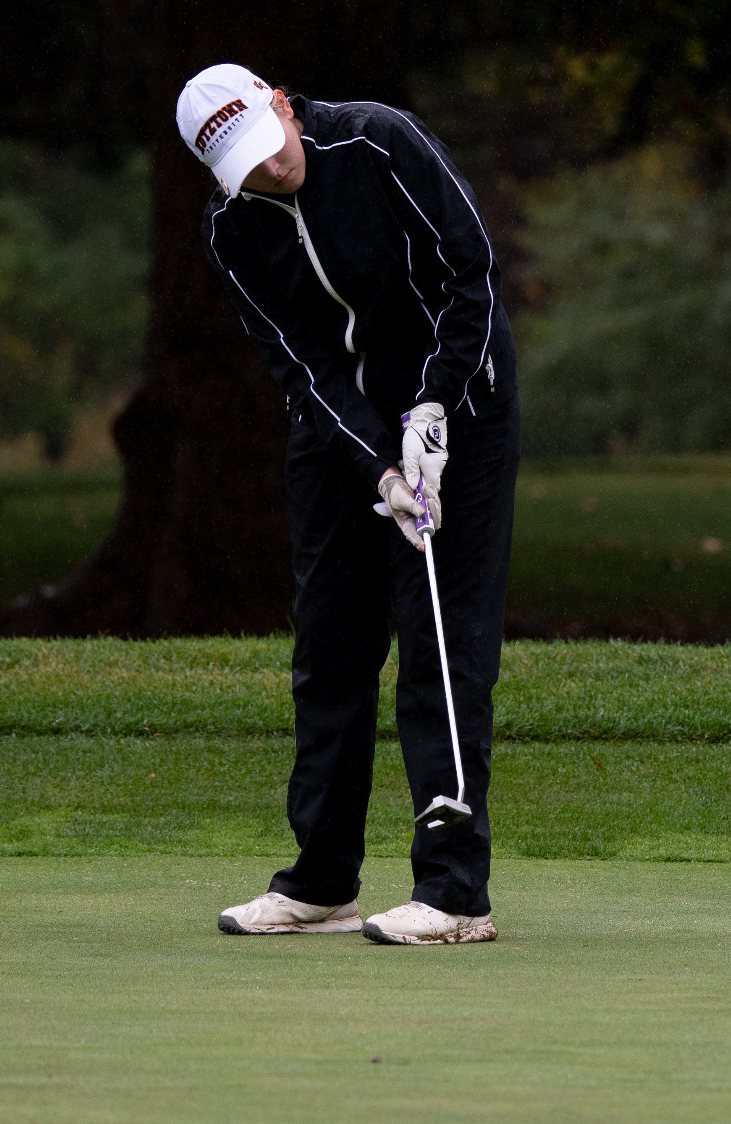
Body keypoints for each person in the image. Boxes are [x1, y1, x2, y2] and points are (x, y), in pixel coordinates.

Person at [176, 63, 517, 946]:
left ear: (282, 104)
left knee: (437, 642)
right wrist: (380, 466)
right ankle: (323, 881)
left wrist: (435, 407)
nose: (268, 171)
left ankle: (453, 891)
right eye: (245, 168)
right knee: (330, 643)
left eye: (269, 146)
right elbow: (306, 368)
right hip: (342, 436)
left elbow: (469, 273)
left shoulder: (378, 141)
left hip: (462, 410)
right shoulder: (232, 230)